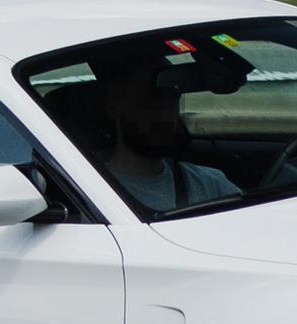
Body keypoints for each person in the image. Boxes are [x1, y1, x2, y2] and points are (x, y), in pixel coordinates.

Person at [91, 45, 240, 214]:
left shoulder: (210, 184)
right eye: (150, 101)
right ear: (113, 108)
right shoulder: (88, 195)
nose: (164, 112)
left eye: (172, 99)